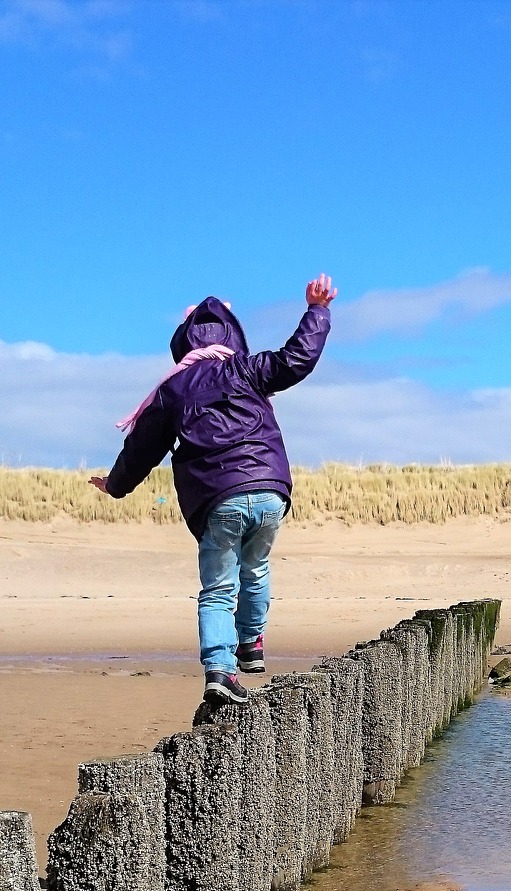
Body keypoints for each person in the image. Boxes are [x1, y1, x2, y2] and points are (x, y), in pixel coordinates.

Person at [90, 274, 337, 703]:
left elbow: (142, 448)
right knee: (255, 568)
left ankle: (221, 671)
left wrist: (114, 486)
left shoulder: (173, 390)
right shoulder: (245, 369)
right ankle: (252, 645)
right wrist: (317, 310)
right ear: (232, 336)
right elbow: (296, 359)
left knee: (219, 588)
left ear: (184, 344)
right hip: (268, 489)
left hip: (217, 498)